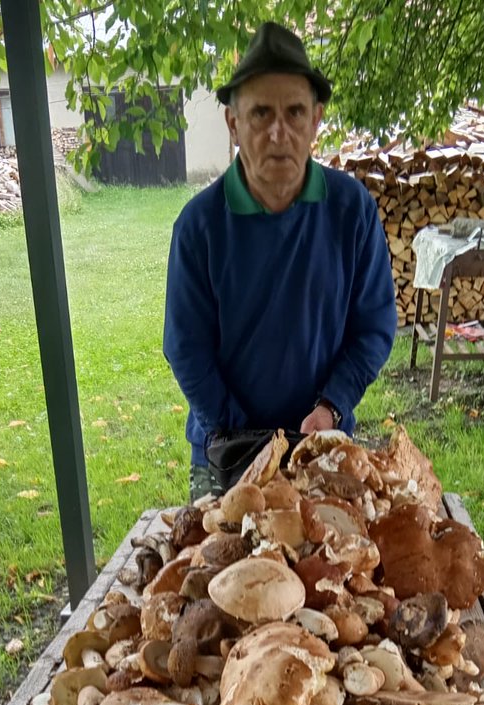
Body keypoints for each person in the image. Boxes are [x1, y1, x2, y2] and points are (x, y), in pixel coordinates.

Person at [163, 21, 398, 500]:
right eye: (260, 114)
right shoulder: (199, 227)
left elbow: (374, 327)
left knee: (329, 571)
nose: (278, 132)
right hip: (224, 451)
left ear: (316, 119)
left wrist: (331, 406)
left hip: (323, 443)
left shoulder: (351, 210)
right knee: (218, 569)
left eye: (294, 112)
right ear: (233, 123)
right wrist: (242, 434)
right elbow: (186, 347)